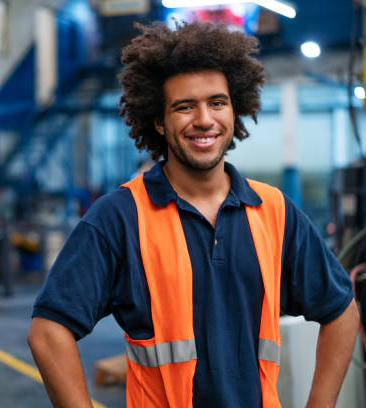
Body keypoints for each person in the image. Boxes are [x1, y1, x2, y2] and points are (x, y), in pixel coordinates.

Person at [27, 21, 360, 408]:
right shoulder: (120, 216)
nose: (204, 119)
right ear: (158, 121)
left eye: (217, 102)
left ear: (235, 109)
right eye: (185, 107)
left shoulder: (274, 210)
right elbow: (48, 332)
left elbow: (341, 311)